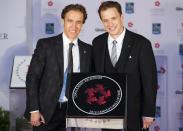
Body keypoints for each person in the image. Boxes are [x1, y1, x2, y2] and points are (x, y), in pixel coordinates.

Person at [24, 4, 92, 131]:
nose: (74, 26)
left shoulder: (88, 50)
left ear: (82, 24)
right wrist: (34, 109)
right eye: (70, 21)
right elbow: (32, 78)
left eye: (79, 22)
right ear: (62, 21)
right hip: (46, 112)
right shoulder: (45, 45)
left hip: (75, 113)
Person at [92, 1, 157, 131]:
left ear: (121, 17)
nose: (110, 24)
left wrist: (148, 113)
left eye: (113, 18)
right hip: (107, 114)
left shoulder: (141, 43)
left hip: (134, 115)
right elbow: (95, 77)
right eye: (105, 20)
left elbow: (149, 81)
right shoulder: (97, 42)